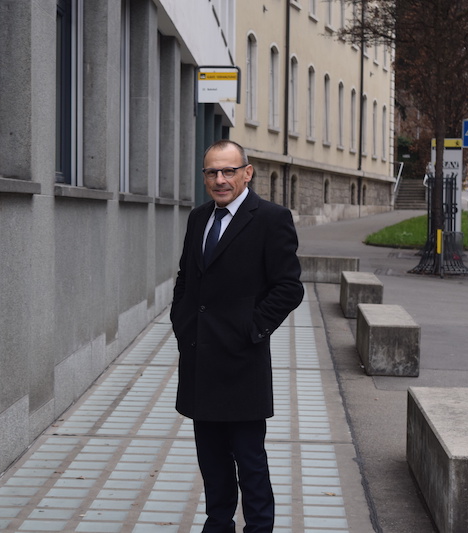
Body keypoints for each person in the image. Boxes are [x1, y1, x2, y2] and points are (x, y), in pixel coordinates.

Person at [170, 139, 304, 532]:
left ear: (247, 173)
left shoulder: (271, 219)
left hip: (242, 363)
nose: (220, 179)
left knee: (250, 461)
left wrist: (250, 330)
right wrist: (182, 322)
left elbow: (289, 288)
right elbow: (186, 278)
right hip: (200, 361)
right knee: (211, 460)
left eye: (228, 171)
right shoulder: (199, 218)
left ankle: (258, 528)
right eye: (212, 172)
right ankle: (218, 525)